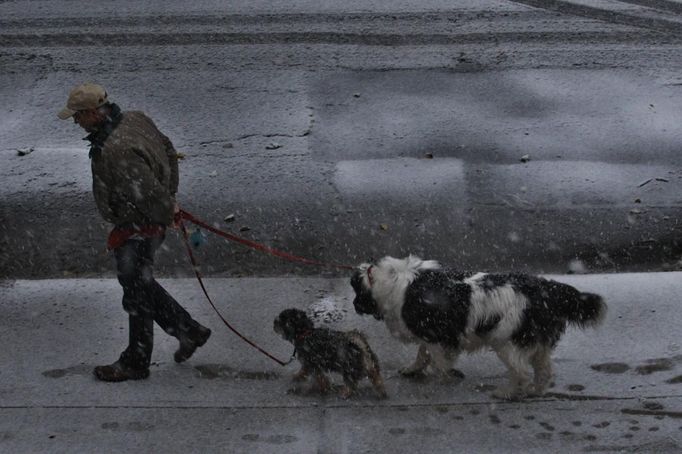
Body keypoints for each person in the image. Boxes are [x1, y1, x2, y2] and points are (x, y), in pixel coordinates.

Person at [58, 83, 211, 382]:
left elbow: (147, 192)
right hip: (145, 221)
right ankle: (188, 331)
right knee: (138, 283)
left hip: (139, 226)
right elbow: (168, 149)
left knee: (136, 291)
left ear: (92, 113)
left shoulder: (116, 149)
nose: (75, 122)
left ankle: (137, 361)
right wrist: (171, 197)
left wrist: (167, 210)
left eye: (77, 117)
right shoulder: (134, 118)